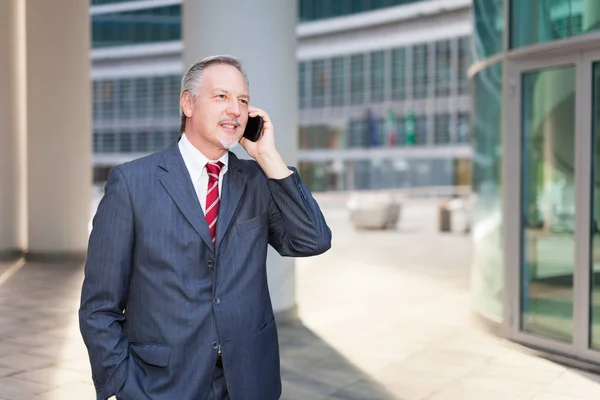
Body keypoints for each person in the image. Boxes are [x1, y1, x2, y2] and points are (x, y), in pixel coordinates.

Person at [79, 55, 332, 400]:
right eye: (222, 97)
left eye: (243, 100)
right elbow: (99, 305)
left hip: (248, 381)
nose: (235, 110)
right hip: (161, 384)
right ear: (188, 103)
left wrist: (268, 157)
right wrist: (123, 384)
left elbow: (313, 240)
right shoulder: (132, 184)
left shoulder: (258, 181)